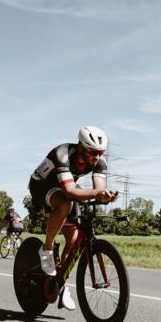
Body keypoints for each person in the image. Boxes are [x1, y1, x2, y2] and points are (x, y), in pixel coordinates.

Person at [28, 126, 119, 310]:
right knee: (65, 204)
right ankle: (46, 249)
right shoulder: (62, 154)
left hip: (64, 188)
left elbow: (98, 188)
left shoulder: (99, 162)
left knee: (75, 236)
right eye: (93, 152)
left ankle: (60, 282)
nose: (96, 157)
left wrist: (106, 195)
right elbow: (69, 191)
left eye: (100, 153)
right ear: (80, 147)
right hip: (42, 187)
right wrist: (97, 193)